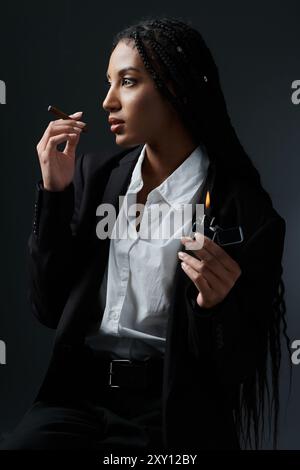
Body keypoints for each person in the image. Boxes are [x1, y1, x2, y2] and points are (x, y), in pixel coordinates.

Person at [0, 17, 289, 452]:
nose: (107, 101)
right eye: (108, 83)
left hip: (170, 411)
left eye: (127, 82)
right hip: (77, 398)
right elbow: (47, 307)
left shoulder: (245, 210)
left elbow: (237, 368)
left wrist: (214, 308)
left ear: (176, 90)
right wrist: (55, 193)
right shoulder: (95, 176)